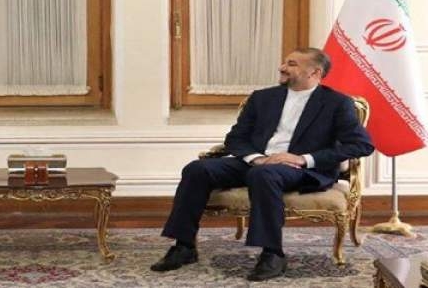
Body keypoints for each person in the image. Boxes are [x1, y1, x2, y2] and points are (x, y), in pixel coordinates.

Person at [150, 47, 374, 281]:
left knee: (263, 175)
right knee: (197, 169)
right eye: (285, 62)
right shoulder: (263, 98)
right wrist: (257, 158)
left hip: (301, 169)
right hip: (257, 161)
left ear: (314, 72)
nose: (282, 67)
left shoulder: (337, 103)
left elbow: (361, 145)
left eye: (292, 64)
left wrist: (302, 158)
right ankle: (184, 246)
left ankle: (272, 254)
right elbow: (235, 139)